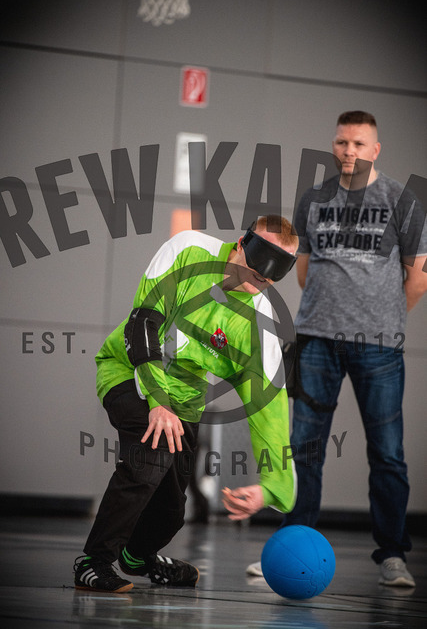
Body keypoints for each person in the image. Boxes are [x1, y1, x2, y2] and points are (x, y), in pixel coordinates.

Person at [246, 111, 427, 587]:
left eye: (360, 144)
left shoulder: (401, 200)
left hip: (379, 346)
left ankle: (392, 555)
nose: (350, 151)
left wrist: (385, 318)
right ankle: (291, 547)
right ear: (334, 145)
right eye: (343, 142)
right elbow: (303, 270)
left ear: (375, 149)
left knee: (387, 453)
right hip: (316, 342)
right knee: (304, 449)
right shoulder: (313, 198)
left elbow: (418, 276)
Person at [74, 214, 299, 593]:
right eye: (259, 263)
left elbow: (270, 409)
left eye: (275, 273)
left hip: (184, 403)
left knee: (172, 510)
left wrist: (271, 486)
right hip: (127, 369)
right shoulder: (188, 250)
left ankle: (138, 557)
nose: (262, 278)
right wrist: (158, 401)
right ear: (241, 244)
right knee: (151, 455)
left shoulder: (259, 327)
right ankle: (93, 562)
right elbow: (142, 322)